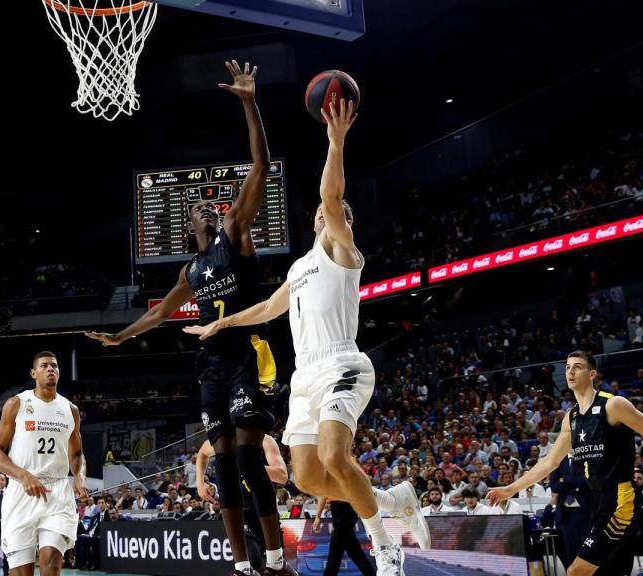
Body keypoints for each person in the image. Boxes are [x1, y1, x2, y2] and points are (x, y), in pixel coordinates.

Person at [185, 97, 429, 576]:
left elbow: (332, 197)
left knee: (337, 454)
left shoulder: (342, 250)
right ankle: (391, 499)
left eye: (329, 211)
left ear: (343, 224)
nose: (321, 213)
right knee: (309, 479)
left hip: (342, 364)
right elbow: (268, 307)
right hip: (303, 378)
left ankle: (386, 549)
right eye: (318, 213)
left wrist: (335, 142)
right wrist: (222, 322)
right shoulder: (300, 267)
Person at [87, 61, 291, 576]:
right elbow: (159, 313)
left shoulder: (235, 232)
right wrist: (119, 339)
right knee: (223, 464)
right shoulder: (192, 268)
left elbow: (261, 165)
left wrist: (249, 102)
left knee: (248, 458)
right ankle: (243, 567)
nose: (205, 206)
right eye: (197, 207)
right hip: (211, 365)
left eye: (209, 203)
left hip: (249, 352)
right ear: (187, 226)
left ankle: (274, 558)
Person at [488, 350, 643, 576]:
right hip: (595, 501)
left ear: (592, 374)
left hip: (621, 499)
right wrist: (511, 489)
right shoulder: (570, 418)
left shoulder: (613, 405)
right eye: (568, 367)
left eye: (578, 367)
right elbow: (549, 463)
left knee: (576, 571)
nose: (570, 372)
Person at [0, 352, 87, 576]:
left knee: (51, 563)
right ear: (34, 373)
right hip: (23, 493)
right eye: (44, 366)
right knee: (21, 572)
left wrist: (79, 476)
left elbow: (77, 454)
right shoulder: (17, 404)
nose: (51, 369)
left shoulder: (70, 410)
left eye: (54, 366)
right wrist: (23, 475)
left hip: (57, 492)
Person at [195, 435, 289, 573]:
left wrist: (248, 465)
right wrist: (200, 482)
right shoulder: (224, 439)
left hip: (266, 513)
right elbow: (203, 453)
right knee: (252, 559)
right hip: (244, 516)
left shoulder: (265, 440)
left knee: (276, 568)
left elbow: (282, 475)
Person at [314, 495, 376, 576]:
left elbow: (322, 494)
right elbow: (322, 494)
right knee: (355, 552)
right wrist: (317, 516)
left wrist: (318, 516)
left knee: (335, 554)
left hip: (347, 506)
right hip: (337, 508)